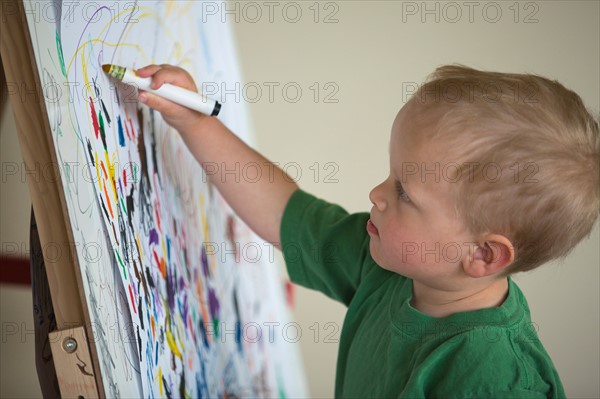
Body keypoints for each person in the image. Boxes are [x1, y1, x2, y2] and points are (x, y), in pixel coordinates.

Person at [136, 64, 599, 397]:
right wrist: (194, 122)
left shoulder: (496, 381)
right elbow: (284, 213)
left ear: (483, 255)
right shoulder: (391, 261)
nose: (376, 193)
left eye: (404, 193)